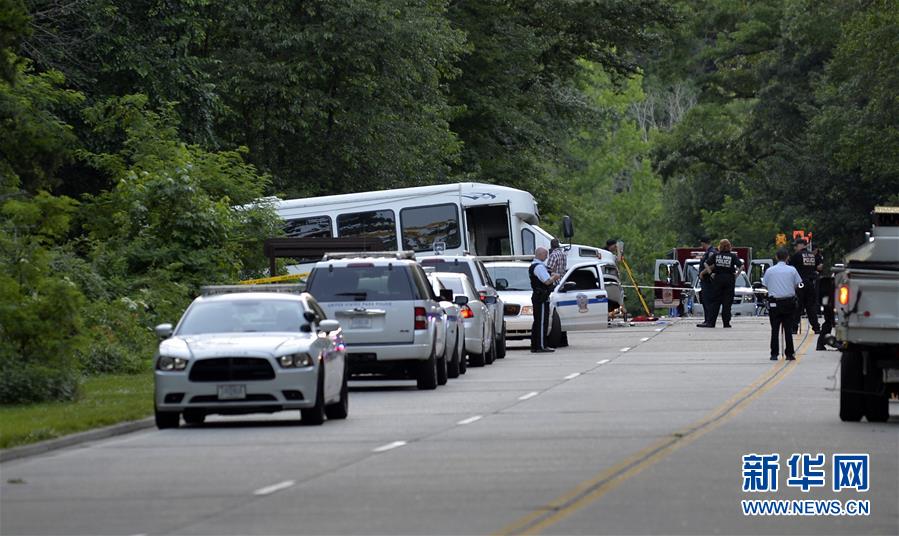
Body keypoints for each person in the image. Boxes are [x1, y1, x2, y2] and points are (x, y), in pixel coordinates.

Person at [763, 248, 802, 360]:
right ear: (787, 257)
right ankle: (789, 353)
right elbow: (797, 284)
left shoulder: (770, 270)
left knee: (775, 329)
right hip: (788, 302)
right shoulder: (792, 270)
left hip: (774, 303)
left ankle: (774, 354)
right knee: (788, 329)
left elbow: (765, 285)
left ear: (776, 257)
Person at [697, 239, 742, 328]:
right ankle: (726, 323)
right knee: (727, 303)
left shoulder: (716, 255)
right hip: (729, 280)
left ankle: (711, 322)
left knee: (715, 302)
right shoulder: (732, 256)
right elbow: (742, 266)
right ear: (729, 246)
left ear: (720, 246)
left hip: (717, 279)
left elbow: (706, 263)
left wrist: (710, 273)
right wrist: (736, 275)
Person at [529, 247, 561, 353]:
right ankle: (541, 345)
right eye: (545, 254)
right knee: (542, 321)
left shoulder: (537, 266)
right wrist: (555, 277)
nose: (547, 257)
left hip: (538, 296)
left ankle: (535, 345)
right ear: (540, 254)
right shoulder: (539, 267)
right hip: (541, 296)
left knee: (538, 321)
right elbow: (547, 281)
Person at [788, 238, 821, 334]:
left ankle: (794, 328)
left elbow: (790, 268)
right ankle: (816, 327)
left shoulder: (797, 255)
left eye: (796, 245)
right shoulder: (812, 255)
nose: (795, 248)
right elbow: (816, 268)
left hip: (800, 283)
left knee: (798, 306)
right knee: (811, 307)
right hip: (810, 283)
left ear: (801, 245)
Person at [697, 235, 717, 325]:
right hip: (706, 281)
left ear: (703, 243)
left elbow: (713, 265)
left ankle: (709, 320)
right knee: (705, 300)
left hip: (708, 281)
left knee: (708, 300)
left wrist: (703, 273)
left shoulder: (711, 252)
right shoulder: (708, 252)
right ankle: (707, 320)